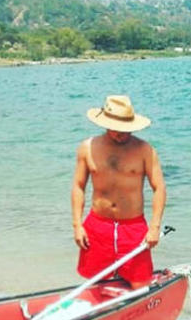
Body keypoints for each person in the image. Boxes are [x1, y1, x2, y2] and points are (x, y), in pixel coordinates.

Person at [71, 95, 166, 290]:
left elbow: (159, 188)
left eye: (126, 129)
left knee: (140, 284)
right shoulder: (87, 148)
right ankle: (103, 317)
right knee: (98, 284)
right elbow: (78, 186)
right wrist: (77, 225)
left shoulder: (145, 150)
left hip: (133, 227)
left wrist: (155, 226)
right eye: (117, 129)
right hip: (97, 225)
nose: (122, 134)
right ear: (105, 124)